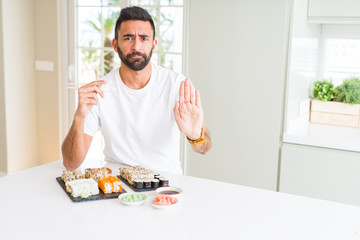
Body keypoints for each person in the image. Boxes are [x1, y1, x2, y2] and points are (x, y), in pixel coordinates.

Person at [62, 6, 211, 174]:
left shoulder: (176, 84)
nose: (137, 46)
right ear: (116, 45)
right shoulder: (99, 91)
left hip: (165, 187)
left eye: (144, 38)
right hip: (118, 185)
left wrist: (194, 134)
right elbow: (70, 164)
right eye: (128, 38)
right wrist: (79, 116)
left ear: (153, 45)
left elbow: (204, 149)